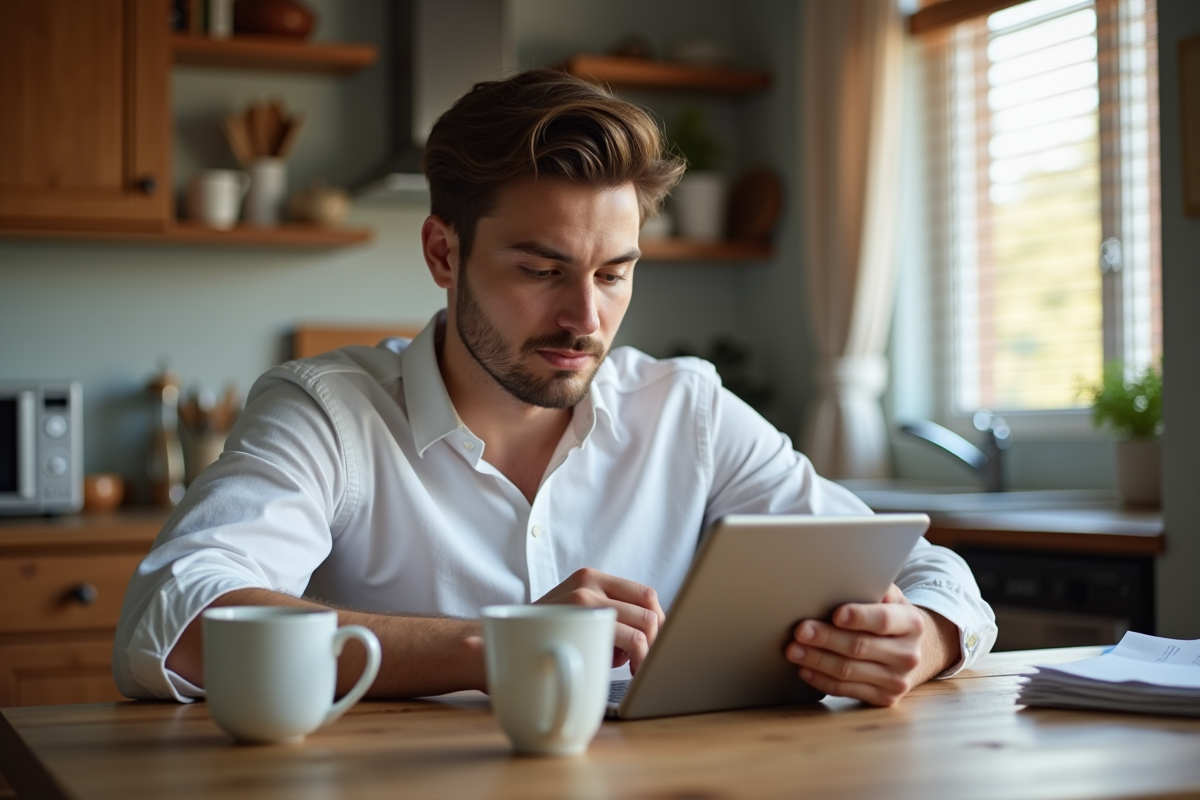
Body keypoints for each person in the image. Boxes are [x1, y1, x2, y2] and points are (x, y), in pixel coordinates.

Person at [114, 68, 996, 708]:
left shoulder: (685, 411)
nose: (586, 316)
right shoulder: (328, 411)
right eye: (542, 268)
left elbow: (921, 567)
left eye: (616, 273)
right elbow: (181, 620)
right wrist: (497, 642)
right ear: (442, 253)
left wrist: (922, 638)